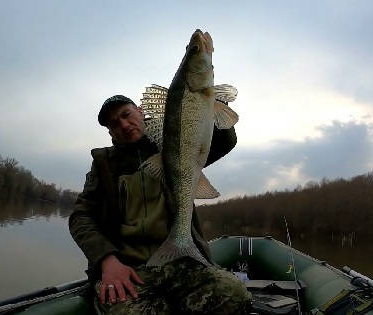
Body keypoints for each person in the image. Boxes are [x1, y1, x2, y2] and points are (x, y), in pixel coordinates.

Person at [69, 95, 252, 314]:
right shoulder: (103, 164)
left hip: (182, 263)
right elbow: (81, 216)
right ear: (110, 133)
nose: (124, 125)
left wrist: (215, 104)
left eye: (126, 115)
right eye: (114, 124)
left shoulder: (173, 143)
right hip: (130, 270)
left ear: (140, 111)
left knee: (235, 295)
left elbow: (224, 142)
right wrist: (107, 260)